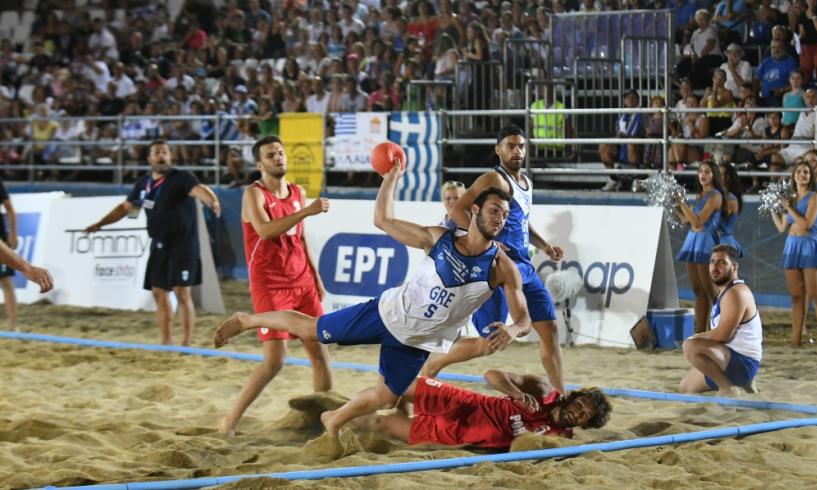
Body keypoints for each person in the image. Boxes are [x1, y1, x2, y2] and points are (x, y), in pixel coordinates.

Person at [213, 163, 532, 438]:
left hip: (417, 341)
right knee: (311, 330)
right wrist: (391, 177)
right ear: (474, 210)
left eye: (504, 215)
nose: (499, 220)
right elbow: (382, 219)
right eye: (494, 211)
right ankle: (247, 320)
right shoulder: (439, 238)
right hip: (386, 313)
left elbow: (524, 321)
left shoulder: (502, 267)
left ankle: (333, 418)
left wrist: (512, 331)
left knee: (386, 398)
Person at [421, 124, 566, 394]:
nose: (517, 151)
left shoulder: (526, 182)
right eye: (511, 146)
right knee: (490, 341)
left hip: (523, 266)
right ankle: (434, 363)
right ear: (498, 150)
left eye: (521, 146)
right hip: (496, 268)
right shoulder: (494, 179)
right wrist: (486, 239)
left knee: (549, 330)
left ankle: (560, 397)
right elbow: (459, 211)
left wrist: (545, 245)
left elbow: (522, 222)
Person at [219, 135, 332, 436]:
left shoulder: (297, 191)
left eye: (281, 153)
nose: (278, 158)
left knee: (319, 351)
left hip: (302, 281)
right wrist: (307, 210)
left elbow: (301, 237)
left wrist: (315, 274)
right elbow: (266, 231)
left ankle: (320, 422)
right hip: (270, 284)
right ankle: (229, 422)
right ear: (260, 164)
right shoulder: (253, 195)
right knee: (275, 360)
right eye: (271, 155)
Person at [84, 140, 221, 346]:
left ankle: (186, 343)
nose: (162, 156)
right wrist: (99, 224)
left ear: (171, 156)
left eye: (165, 152)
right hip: (158, 245)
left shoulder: (182, 177)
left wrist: (213, 201)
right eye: (157, 153)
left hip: (183, 245)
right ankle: (166, 341)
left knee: (182, 292)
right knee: (158, 292)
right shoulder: (143, 184)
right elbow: (126, 208)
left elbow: (199, 190)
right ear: (149, 158)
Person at [362, 371, 611, 450]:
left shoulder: (560, 439)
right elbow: (492, 375)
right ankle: (338, 415)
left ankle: (353, 424)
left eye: (584, 415)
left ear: (585, 424)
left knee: (379, 425)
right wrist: (517, 394)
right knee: (395, 382)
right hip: (465, 403)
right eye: (579, 405)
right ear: (571, 398)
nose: (577, 413)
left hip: (458, 437)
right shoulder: (543, 391)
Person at [679, 245, 763, 396]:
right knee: (686, 386)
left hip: (742, 364)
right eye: (712, 261)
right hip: (733, 359)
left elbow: (723, 335)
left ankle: (727, 388)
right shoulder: (724, 291)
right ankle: (747, 387)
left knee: (690, 346)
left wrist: (696, 337)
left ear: (734, 266)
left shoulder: (736, 292)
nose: (715, 266)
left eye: (722, 262)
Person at [770, 161, 817, 347]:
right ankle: (796, 340)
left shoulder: (815, 197)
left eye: (806, 172)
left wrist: (788, 207)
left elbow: (807, 224)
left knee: (815, 295)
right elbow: (783, 227)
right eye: (798, 172)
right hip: (792, 246)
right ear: (794, 176)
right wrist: (775, 209)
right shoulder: (791, 198)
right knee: (797, 296)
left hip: (810, 246)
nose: (802, 175)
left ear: (810, 176)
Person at [676, 160, 726, 334]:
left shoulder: (716, 196)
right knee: (698, 290)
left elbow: (699, 221)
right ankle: (700, 330)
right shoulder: (700, 196)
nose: (703, 175)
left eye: (707, 172)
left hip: (706, 243)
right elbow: (687, 221)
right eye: (701, 171)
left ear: (714, 175)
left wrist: (681, 202)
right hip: (693, 241)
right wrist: (675, 205)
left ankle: (720, 328)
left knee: (710, 290)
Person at [0, 180, 18, 329]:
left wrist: (13, 234)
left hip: (1, 236)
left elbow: (9, 208)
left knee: (6, 279)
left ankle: (13, 325)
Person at [717, 163, 745, 257]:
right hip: (711, 241)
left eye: (719, 174)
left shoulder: (731, 200)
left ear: (727, 178)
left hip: (723, 244)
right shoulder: (714, 196)